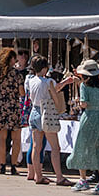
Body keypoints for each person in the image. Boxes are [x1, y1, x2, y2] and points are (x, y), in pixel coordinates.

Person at [67, 60, 99, 195]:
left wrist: (79, 103)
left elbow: (84, 104)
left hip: (89, 117)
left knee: (82, 147)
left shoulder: (84, 86)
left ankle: (83, 180)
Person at [24, 55, 68, 185]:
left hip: (34, 111)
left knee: (36, 147)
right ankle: (59, 177)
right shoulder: (48, 82)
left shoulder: (30, 80)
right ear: (44, 68)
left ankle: (38, 175)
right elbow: (55, 97)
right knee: (55, 147)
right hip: (46, 112)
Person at [0, 47, 24, 176]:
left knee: (1, 138)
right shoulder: (16, 74)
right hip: (14, 107)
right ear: (11, 59)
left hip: (0, 106)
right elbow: (21, 93)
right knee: (16, 138)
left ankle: (2, 165)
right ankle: (14, 165)